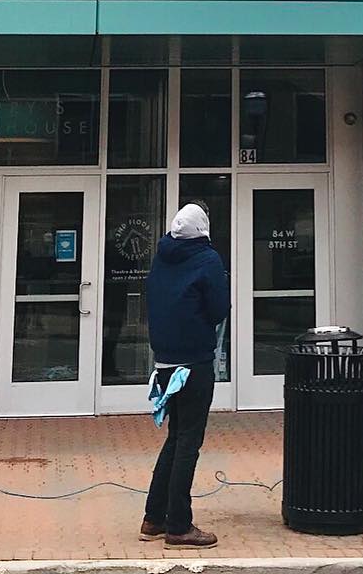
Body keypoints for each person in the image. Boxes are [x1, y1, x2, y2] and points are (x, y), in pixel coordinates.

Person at [140, 201, 229, 549]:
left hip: (165, 363)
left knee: (176, 438)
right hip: (194, 362)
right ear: (204, 229)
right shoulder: (208, 259)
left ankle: (154, 518)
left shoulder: (161, 258)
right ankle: (178, 525)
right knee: (188, 442)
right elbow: (219, 309)